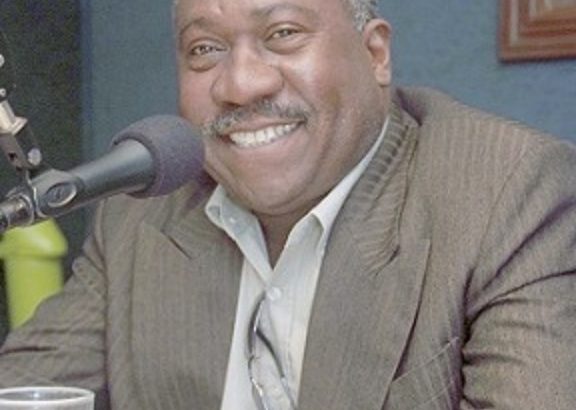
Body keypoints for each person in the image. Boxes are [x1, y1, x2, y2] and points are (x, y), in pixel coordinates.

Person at [1, 0, 576, 408]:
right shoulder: (142, 212)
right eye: (205, 49)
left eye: (282, 34)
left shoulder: (508, 193)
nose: (241, 85)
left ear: (375, 53)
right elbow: (25, 390)